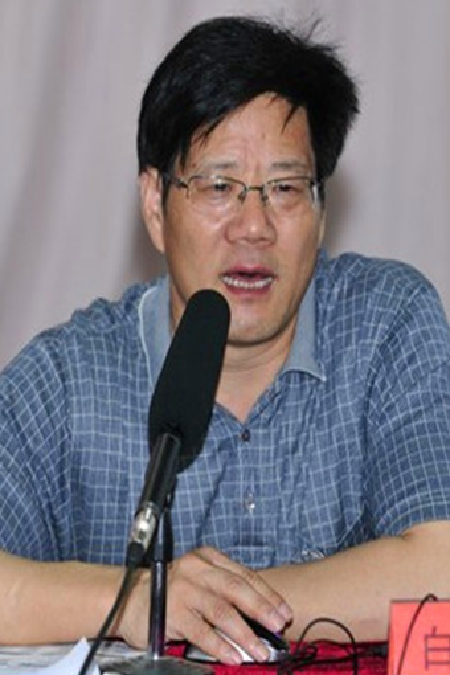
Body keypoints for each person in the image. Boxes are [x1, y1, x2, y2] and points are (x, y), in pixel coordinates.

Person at [1, 13, 450, 665]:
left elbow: (440, 565)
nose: (254, 226)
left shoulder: (386, 324)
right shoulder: (70, 379)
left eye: (285, 189)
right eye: (219, 187)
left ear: (322, 210)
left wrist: (207, 607)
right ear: (155, 205)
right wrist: (139, 600)